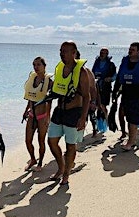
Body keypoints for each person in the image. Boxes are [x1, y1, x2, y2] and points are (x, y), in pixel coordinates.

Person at [48, 41, 90, 185]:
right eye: (61, 51)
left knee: (70, 145)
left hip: (74, 112)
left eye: (65, 51)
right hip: (59, 110)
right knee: (52, 141)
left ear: (74, 53)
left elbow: (87, 96)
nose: (62, 54)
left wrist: (83, 117)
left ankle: (66, 174)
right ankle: (61, 167)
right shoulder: (60, 69)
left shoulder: (82, 72)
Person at [112, 42, 139, 151]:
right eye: (129, 49)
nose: (130, 51)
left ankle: (130, 142)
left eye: (133, 49)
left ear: (138, 52)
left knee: (133, 119)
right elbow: (119, 78)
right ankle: (132, 139)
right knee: (128, 118)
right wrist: (114, 92)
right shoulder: (125, 62)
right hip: (126, 95)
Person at [22, 57, 53, 172]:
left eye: (39, 65)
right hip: (31, 115)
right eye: (34, 64)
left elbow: (50, 101)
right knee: (28, 140)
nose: (36, 67)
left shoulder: (49, 81)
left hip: (42, 116)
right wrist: (26, 111)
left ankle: (40, 163)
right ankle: (33, 159)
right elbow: (31, 97)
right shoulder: (32, 79)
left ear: (44, 66)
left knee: (41, 141)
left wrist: (47, 118)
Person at [91, 47, 117, 118]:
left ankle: (106, 120)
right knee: (94, 105)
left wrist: (110, 78)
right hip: (96, 87)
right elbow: (92, 73)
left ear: (107, 54)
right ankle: (97, 123)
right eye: (101, 52)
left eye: (103, 53)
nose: (101, 54)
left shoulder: (111, 64)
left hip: (105, 88)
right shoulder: (96, 62)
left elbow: (115, 75)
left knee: (102, 105)